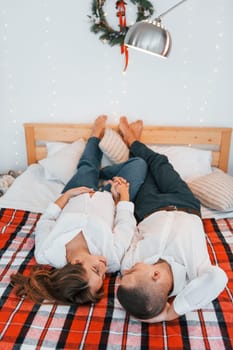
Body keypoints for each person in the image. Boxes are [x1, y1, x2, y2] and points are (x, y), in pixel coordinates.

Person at [10, 115, 147, 306]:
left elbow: (47, 220)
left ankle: (95, 138)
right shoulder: (112, 259)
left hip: (77, 193)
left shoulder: (47, 252)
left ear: (75, 263)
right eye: (102, 277)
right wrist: (121, 196)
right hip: (110, 197)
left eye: (95, 270)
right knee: (139, 164)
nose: (103, 268)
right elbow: (125, 224)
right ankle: (116, 162)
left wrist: (66, 196)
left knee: (87, 167)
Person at [116, 116, 228, 322]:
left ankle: (132, 140)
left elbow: (129, 230)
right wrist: (170, 313)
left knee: (145, 166)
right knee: (158, 162)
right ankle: (134, 140)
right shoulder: (194, 275)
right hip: (184, 202)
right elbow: (219, 278)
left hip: (148, 207)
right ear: (155, 276)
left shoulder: (130, 263)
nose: (126, 271)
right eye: (130, 274)